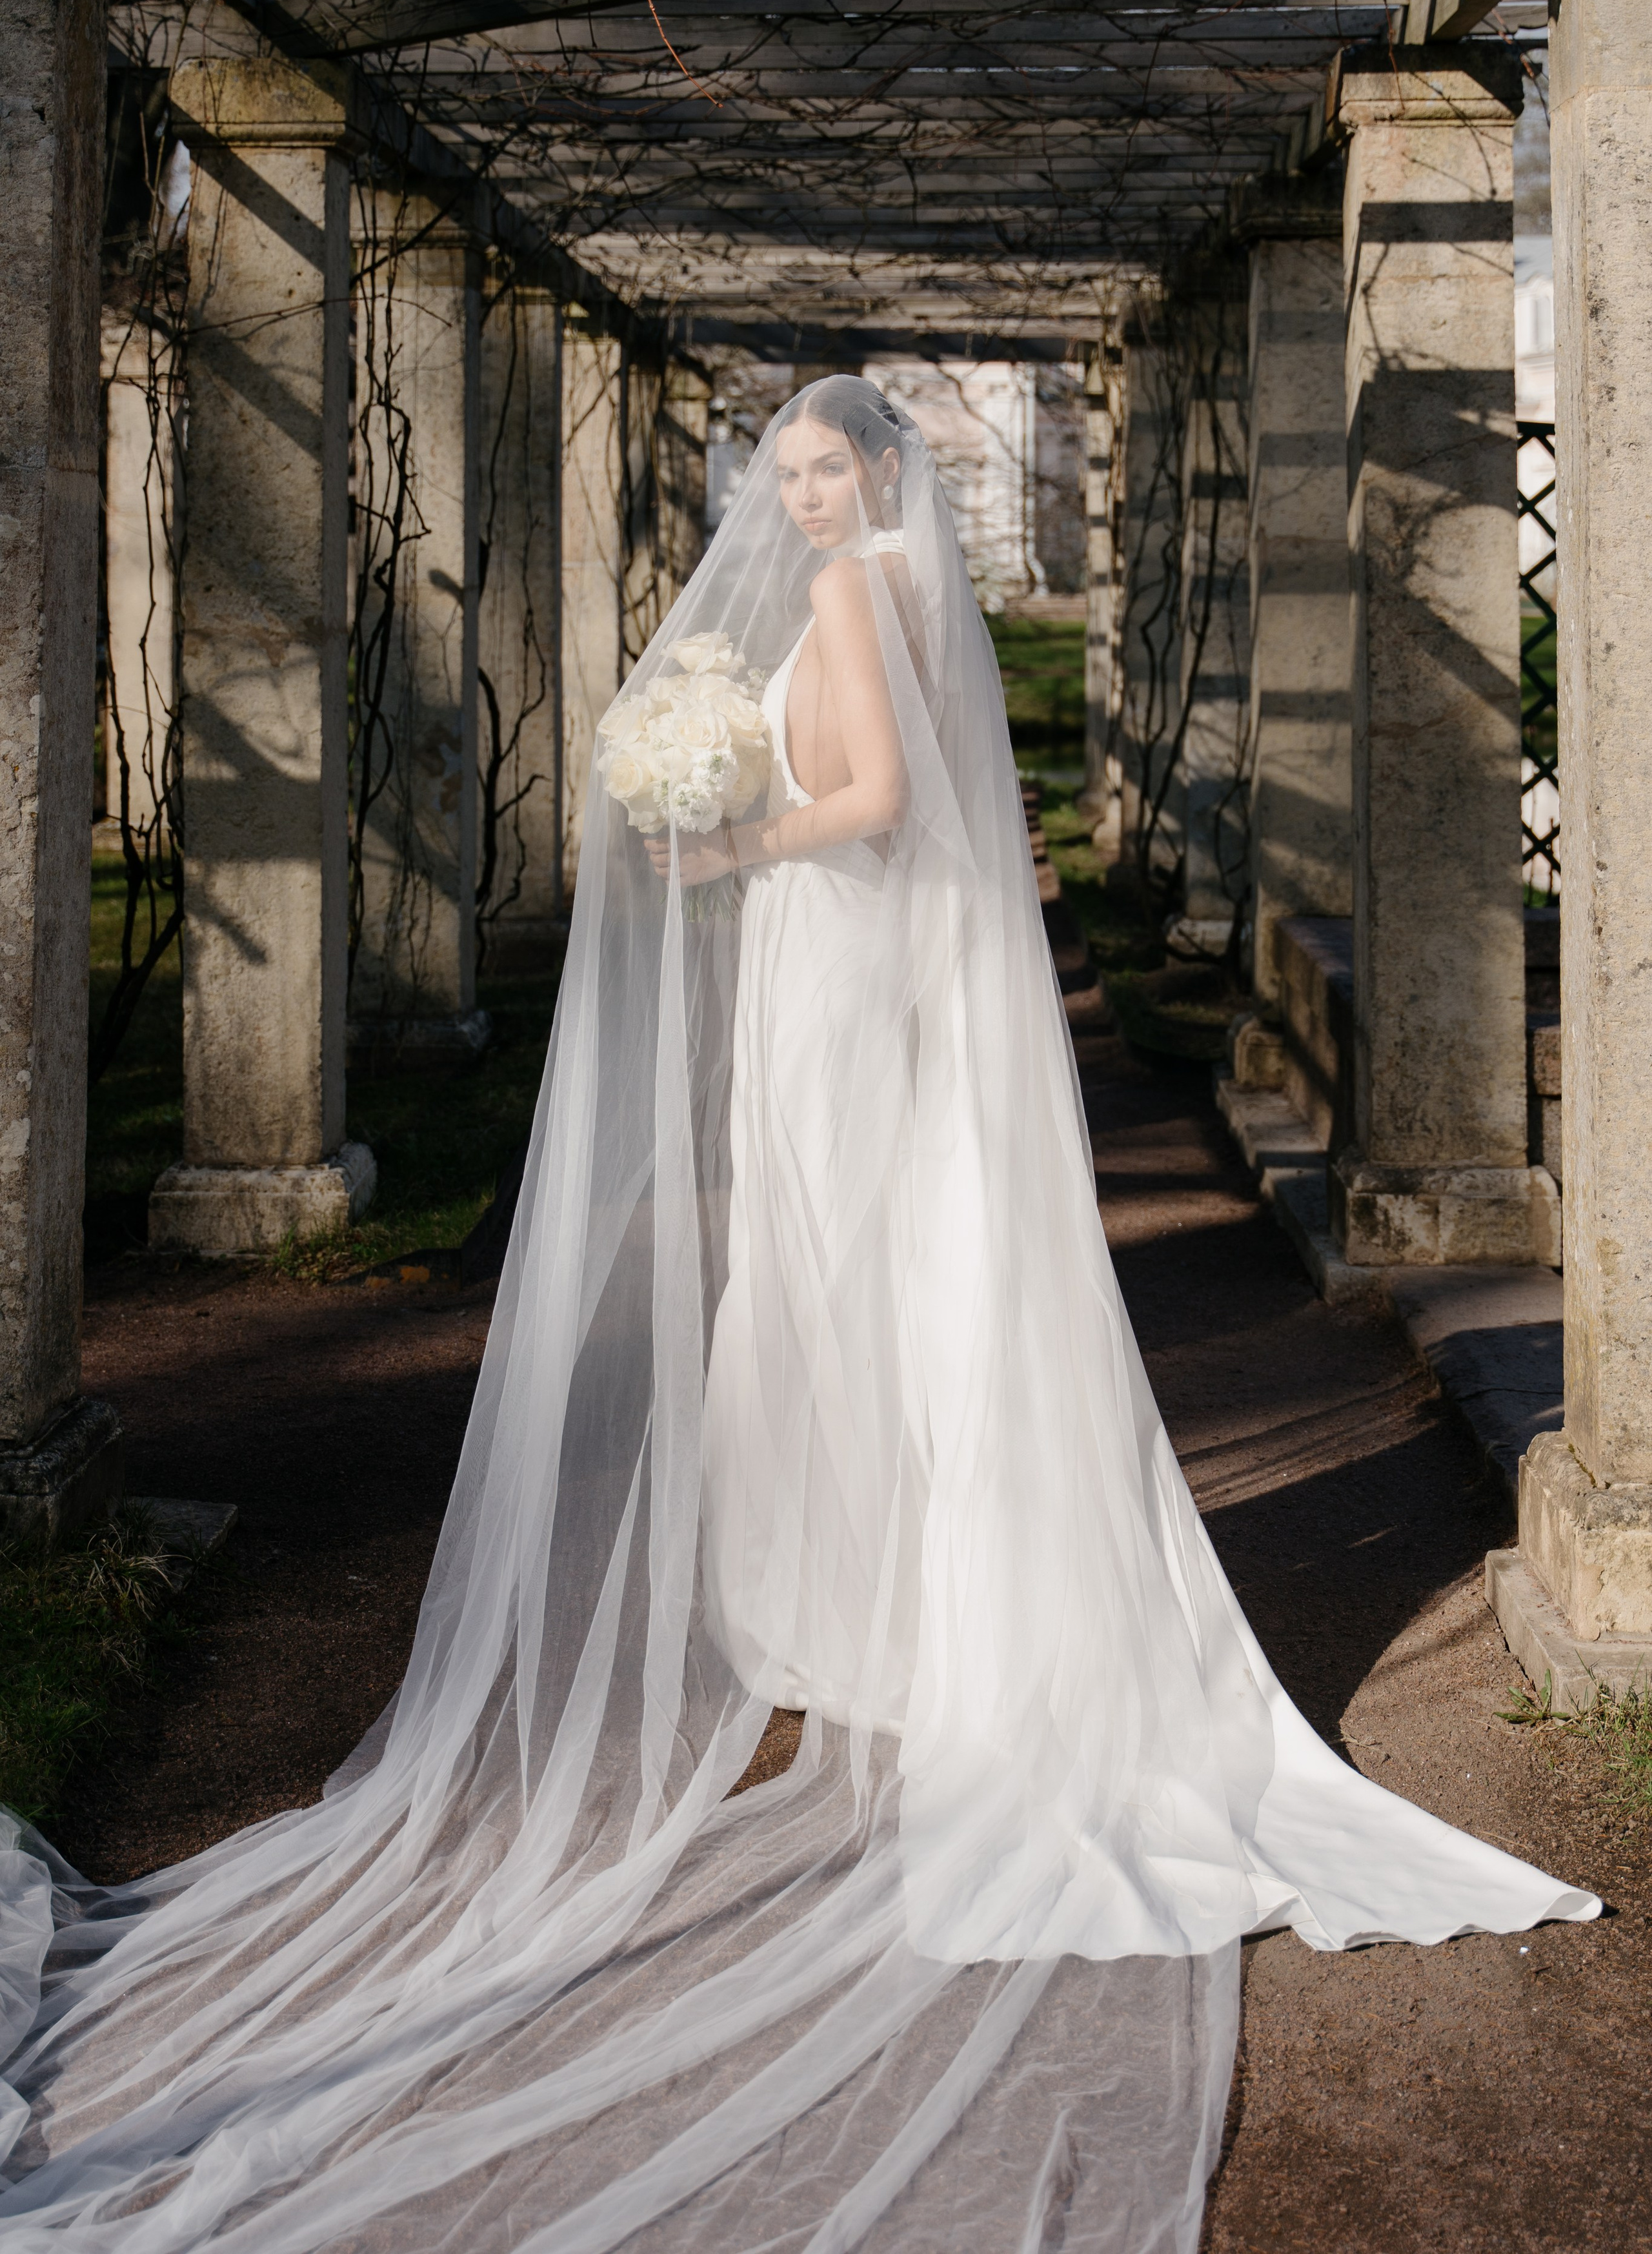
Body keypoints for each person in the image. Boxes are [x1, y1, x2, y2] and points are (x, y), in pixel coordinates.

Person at [0, 380, 1595, 2253]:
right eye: (793, 473)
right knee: (865, 1288)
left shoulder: (852, 592)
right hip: (851, 979)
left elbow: (882, 801)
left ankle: (904, 1623)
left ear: (885, 474)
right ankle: (905, 1613)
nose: (810, 496)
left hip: (833, 968)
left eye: (834, 469)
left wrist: (724, 838)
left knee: (842, 1285)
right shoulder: (905, 587)